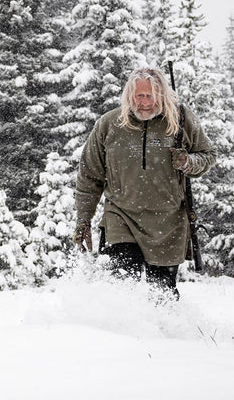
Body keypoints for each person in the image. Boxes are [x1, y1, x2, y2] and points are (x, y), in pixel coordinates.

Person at [73, 66, 216, 299]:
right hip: (121, 217)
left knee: (162, 295)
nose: (145, 102)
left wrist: (188, 162)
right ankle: (117, 333)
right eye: (139, 95)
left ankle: (162, 333)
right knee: (119, 287)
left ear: (161, 95)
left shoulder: (180, 120)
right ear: (129, 95)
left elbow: (208, 154)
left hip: (167, 223)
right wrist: (83, 219)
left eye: (150, 95)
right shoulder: (109, 124)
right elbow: (90, 176)